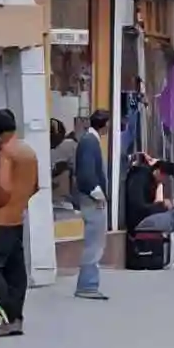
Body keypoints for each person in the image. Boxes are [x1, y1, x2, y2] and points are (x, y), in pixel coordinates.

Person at [0, 107, 40, 334]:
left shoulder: (6, 153)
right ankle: (17, 316)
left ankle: (6, 317)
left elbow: (3, 189)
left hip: (0, 220)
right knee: (16, 272)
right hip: (18, 219)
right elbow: (34, 186)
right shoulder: (28, 152)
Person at [122, 155, 174, 271]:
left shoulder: (148, 179)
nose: (163, 182)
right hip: (138, 221)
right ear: (159, 172)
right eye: (164, 178)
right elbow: (139, 208)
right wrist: (161, 206)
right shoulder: (140, 179)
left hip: (145, 217)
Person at [73, 108, 111, 301]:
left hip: (91, 198)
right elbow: (87, 174)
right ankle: (87, 284)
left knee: (95, 242)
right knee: (94, 243)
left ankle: (88, 283)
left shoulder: (89, 140)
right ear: (105, 125)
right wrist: (99, 195)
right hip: (92, 200)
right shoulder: (90, 142)